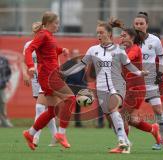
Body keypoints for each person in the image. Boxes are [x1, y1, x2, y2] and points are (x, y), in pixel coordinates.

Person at [61, 18, 148, 154]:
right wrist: (65, 73)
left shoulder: (118, 50)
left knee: (113, 110)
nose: (99, 35)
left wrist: (139, 72)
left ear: (109, 34)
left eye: (101, 32)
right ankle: (125, 142)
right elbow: (81, 65)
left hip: (117, 86)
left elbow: (128, 65)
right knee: (111, 117)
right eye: (97, 33)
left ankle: (122, 142)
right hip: (101, 89)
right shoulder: (93, 50)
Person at [23, 11, 76, 151]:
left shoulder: (48, 36)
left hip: (51, 75)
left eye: (58, 23)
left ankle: (30, 133)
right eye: (56, 23)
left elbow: (49, 51)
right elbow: (29, 50)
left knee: (52, 111)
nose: (58, 25)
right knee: (71, 98)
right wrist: (30, 67)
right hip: (48, 77)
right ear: (47, 23)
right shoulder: (42, 35)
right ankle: (61, 134)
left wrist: (61, 50)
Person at [133, 11, 163, 151]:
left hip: (150, 81)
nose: (138, 26)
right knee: (127, 115)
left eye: (141, 23)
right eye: (136, 23)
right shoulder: (130, 40)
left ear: (147, 25)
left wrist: (160, 73)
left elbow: (161, 57)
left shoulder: (155, 41)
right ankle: (123, 141)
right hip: (133, 83)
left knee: (158, 110)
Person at [119, 27, 160, 145]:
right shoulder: (124, 50)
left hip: (136, 89)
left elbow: (127, 59)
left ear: (132, 37)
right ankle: (153, 129)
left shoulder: (135, 49)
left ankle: (123, 144)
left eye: (124, 36)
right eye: (120, 35)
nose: (121, 38)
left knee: (121, 116)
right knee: (131, 120)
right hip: (133, 88)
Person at [22, 21, 58, 147]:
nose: (37, 33)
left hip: (45, 77)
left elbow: (55, 59)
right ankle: (55, 136)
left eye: (38, 30)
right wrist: (25, 73)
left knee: (40, 108)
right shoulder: (28, 45)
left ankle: (35, 136)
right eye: (35, 31)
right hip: (35, 79)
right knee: (47, 110)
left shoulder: (47, 41)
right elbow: (23, 61)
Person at [65, 49, 87, 127]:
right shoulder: (68, 64)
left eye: (77, 54)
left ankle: (78, 123)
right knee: (68, 106)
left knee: (78, 106)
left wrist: (84, 86)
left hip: (79, 88)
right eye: (74, 54)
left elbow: (84, 77)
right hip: (70, 88)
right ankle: (64, 122)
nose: (76, 55)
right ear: (72, 55)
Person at [0, 55, 13, 127]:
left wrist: (5, 80)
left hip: (1, 85)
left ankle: (4, 121)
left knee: (3, 102)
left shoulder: (3, 59)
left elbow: (9, 72)